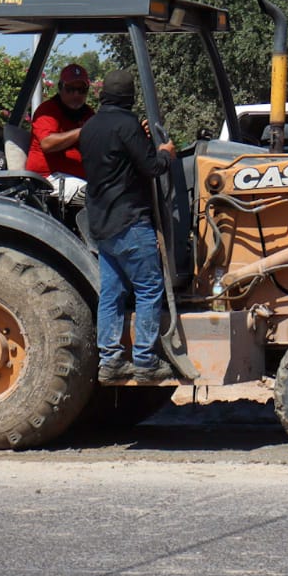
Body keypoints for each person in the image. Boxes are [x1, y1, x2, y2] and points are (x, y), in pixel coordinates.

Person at [80, 68, 178, 384]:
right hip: (131, 222)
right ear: (131, 96)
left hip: (102, 226)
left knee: (111, 294)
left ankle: (110, 362)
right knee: (149, 289)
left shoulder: (90, 127)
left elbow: (117, 159)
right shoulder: (127, 125)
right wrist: (166, 153)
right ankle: (146, 362)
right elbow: (151, 166)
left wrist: (141, 138)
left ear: (102, 94)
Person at [26, 64, 94, 203]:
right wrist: (82, 132)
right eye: (70, 89)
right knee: (94, 195)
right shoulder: (47, 111)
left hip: (77, 179)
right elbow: (47, 143)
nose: (76, 94)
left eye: (81, 90)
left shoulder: (87, 113)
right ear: (61, 88)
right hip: (47, 179)